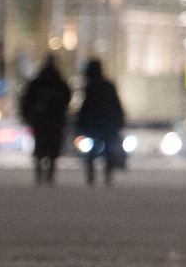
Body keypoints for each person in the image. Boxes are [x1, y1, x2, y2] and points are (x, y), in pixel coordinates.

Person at [20, 56, 71, 186]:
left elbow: (26, 101)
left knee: (40, 147)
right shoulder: (59, 83)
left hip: (40, 121)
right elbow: (66, 100)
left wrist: (28, 117)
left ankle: (39, 175)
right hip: (55, 121)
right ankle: (49, 176)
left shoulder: (37, 82)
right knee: (53, 148)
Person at [75, 58, 126, 186]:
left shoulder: (90, 87)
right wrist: (118, 122)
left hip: (93, 125)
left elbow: (86, 108)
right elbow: (116, 106)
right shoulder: (107, 86)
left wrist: (80, 124)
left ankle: (91, 177)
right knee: (108, 151)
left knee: (91, 152)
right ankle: (107, 176)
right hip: (107, 125)